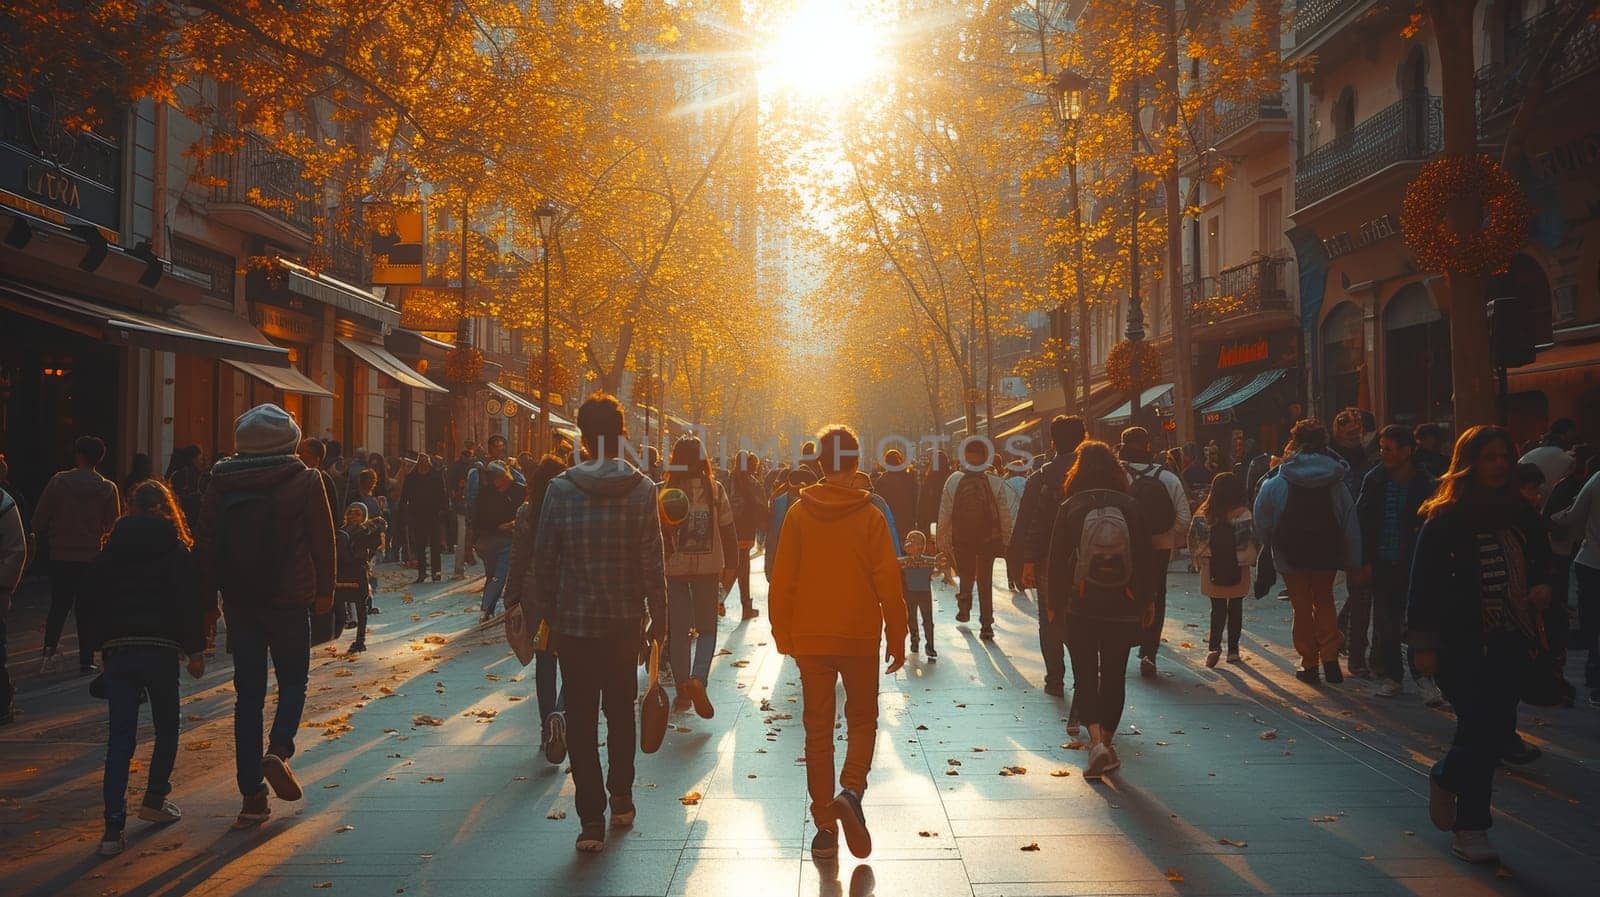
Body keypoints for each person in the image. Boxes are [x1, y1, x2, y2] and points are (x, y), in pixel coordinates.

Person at [530, 393, 666, 852]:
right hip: (625, 622)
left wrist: (545, 613)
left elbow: (544, 558)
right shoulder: (644, 489)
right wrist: (659, 618)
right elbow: (653, 560)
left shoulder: (560, 489)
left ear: (582, 437)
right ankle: (622, 797)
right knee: (621, 713)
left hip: (573, 623)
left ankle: (591, 819)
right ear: (622, 434)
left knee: (582, 721)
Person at [1410, 425, 1551, 865]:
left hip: (1512, 639)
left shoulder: (1521, 513)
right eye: (1488, 458)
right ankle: (1466, 816)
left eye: (1503, 458)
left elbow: (1544, 561)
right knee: (1480, 726)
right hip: (1461, 643)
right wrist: (1423, 647)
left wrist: (1544, 587)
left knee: (1489, 733)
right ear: (1470, 463)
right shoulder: (1446, 517)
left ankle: (1459, 801)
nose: (1498, 466)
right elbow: (1423, 586)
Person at [770, 424, 906, 861]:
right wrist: (899, 634)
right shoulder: (870, 515)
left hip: (810, 637)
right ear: (856, 462)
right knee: (863, 718)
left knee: (817, 730)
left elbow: (783, 579)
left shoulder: (798, 513)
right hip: (860, 633)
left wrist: (782, 632)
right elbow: (889, 580)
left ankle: (825, 827)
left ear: (821, 464)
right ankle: (851, 789)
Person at [196, 404, 334, 829]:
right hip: (290, 598)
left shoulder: (220, 481)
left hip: (240, 602)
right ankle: (279, 749)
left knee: (248, 696)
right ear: (289, 440)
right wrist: (327, 590)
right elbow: (323, 538)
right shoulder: (306, 479)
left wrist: (207, 604)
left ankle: (251, 798)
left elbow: (205, 545)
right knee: (293, 680)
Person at [81, 480, 207, 856]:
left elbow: (89, 599)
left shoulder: (111, 547)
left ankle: (111, 828)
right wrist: (195, 650)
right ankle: (154, 798)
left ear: (131, 507)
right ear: (167, 508)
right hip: (161, 649)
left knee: (120, 739)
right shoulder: (176, 547)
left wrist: (99, 644)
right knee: (167, 726)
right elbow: (189, 600)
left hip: (119, 649)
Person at [1045, 441, 1156, 780]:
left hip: (1081, 604)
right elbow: (1145, 558)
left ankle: (1095, 742)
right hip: (1122, 604)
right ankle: (1107, 743)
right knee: (1113, 673)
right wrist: (1147, 600)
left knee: (1084, 674)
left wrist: (1054, 603)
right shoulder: (1130, 505)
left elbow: (1056, 562)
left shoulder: (1071, 506)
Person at [1253, 419, 1362, 684]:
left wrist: (1271, 544)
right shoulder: (1335, 479)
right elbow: (1349, 519)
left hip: (1290, 552)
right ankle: (1331, 658)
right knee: (1324, 600)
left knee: (1301, 606)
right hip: (1326, 551)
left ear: (1294, 442)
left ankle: (1309, 663)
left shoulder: (1278, 479)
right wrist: (1353, 558)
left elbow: (1261, 518)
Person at [1355, 426, 1438, 699]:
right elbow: (1363, 522)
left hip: (1416, 564)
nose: (1384, 454)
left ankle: (1424, 677)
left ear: (1407, 451)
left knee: (1418, 622)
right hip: (1383, 562)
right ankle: (1393, 676)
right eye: (1381, 448)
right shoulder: (1375, 479)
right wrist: (1364, 560)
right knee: (1387, 623)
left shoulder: (1426, 483)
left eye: (1389, 449)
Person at [31, 435, 121, 674]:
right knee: (87, 607)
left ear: (78, 454)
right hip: (91, 555)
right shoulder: (107, 488)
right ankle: (86, 658)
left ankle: (48, 653)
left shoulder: (59, 482)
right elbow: (113, 525)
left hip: (60, 553)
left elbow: (40, 516)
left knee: (59, 605)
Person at [661, 436, 738, 717]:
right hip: (708, 569)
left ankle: (682, 689)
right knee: (707, 629)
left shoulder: (666, 492)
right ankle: (698, 678)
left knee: (679, 631)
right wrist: (731, 570)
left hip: (675, 569)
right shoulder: (714, 490)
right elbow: (729, 534)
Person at [503, 454, 570, 765]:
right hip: (569, 596)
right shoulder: (572, 509)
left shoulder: (526, 513)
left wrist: (511, 596)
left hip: (535, 596)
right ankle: (561, 713)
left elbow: (516, 559)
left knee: (545, 663)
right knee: (572, 662)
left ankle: (547, 727)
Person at [1016, 416, 1086, 698]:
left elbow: (1029, 522)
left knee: (1050, 618)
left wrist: (1026, 561)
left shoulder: (1041, 477)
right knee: (1085, 618)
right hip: (1090, 559)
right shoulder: (1099, 472)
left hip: (1049, 561)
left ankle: (1054, 678)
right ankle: (1085, 677)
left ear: (1052, 441)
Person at [1116, 426, 1190, 677]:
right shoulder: (1167, 477)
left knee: (1123, 591)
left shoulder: (1116, 476)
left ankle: (1123, 644)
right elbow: (1184, 516)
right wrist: (1164, 536)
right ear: (1149, 445)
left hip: (1124, 548)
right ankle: (1149, 651)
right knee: (1156, 594)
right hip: (1158, 549)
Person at [937, 439, 1016, 640]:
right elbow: (1005, 513)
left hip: (962, 538)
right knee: (984, 579)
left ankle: (964, 607)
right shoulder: (994, 481)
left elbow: (945, 512)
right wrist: (1007, 539)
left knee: (966, 574)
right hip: (988, 539)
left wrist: (941, 539)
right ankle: (986, 624)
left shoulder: (953, 480)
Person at [1188, 472, 1259, 667]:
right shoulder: (1243, 513)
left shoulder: (1204, 513)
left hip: (1212, 567)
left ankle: (1214, 647)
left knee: (1217, 608)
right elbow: (1249, 543)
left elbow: (1196, 541)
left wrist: (1200, 560)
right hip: (1238, 566)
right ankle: (1233, 651)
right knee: (1236, 607)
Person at [1331, 408, 1379, 677]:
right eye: (1350, 432)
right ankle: (1356, 654)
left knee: (1362, 592)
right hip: (1352, 538)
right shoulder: (1340, 464)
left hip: (1357, 536)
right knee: (1362, 594)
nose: (1355, 436)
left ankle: (1339, 638)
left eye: (1358, 431)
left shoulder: (1370, 460)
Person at [1550, 454, 1600, 704]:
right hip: (1590, 562)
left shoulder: (1597, 480)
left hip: (1591, 560)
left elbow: (1573, 515)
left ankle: (1595, 680)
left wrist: (1550, 517)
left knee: (1593, 623)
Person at [0, 457, 28, 725]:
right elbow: (16, 550)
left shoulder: (4, 503)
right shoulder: (6, 503)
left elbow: (15, 551)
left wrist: (4, 587)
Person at [336, 503, 385, 654]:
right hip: (342, 571)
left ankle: (360, 640)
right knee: (339, 602)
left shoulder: (365, 531)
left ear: (363, 516)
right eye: (350, 513)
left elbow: (380, 530)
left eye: (357, 514)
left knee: (361, 606)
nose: (352, 516)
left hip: (358, 570)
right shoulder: (341, 532)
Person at [475, 461, 521, 620]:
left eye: (499, 478)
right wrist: (497, 526)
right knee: (493, 575)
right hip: (489, 540)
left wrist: (513, 524)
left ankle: (486, 609)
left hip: (509, 540)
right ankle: (488, 609)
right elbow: (477, 519)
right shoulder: (485, 493)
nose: (496, 482)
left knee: (499, 574)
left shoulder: (519, 490)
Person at [725, 452, 768, 619]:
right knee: (741, 569)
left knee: (733, 568)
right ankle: (737, 605)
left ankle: (731, 603)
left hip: (729, 531)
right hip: (746, 532)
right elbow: (762, 507)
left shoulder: (727, 481)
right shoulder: (753, 484)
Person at [401, 453, 446, 584]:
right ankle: (422, 572)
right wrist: (405, 511)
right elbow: (405, 496)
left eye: (426, 461)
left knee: (435, 545)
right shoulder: (411, 478)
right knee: (420, 545)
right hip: (417, 515)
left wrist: (443, 509)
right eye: (421, 462)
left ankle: (436, 572)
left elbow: (443, 494)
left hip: (434, 514)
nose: (424, 464)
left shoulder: (436, 476)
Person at [899, 530, 939, 660]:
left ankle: (928, 645)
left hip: (921, 593)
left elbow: (941, 563)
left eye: (918, 543)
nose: (915, 546)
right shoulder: (908, 562)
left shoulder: (925, 561)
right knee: (913, 618)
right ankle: (915, 640)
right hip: (914, 592)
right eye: (911, 542)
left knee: (926, 620)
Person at [873, 449, 920, 555]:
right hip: (907, 522)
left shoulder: (882, 480)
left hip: (889, 523)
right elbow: (916, 500)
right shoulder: (909, 477)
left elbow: (878, 503)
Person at [1520, 418, 1578, 501]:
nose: (1575, 439)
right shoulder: (1567, 460)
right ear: (1566, 435)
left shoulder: (1530, 454)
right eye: (1573, 435)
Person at [165, 445, 205, 523]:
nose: (202, 462)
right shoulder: (191, 475)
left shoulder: (175, 474)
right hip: (189, 515)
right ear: (193, 460)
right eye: (200, 459)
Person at [917, 450, 951, 537]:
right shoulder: (950, 479)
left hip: (932, 522)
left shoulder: (929, 480)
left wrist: (921, 524)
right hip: (948, 521)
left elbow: (922, 505)